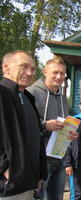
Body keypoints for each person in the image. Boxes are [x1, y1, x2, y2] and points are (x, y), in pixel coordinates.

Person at [27, 58, 78, 200]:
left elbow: (64, 125)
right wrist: (44, 125)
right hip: (40, 159)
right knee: (38, 197)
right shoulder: (31, 93)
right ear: (45, 72)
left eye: (62, 73)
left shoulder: (62, 98)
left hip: (60, 157)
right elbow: (22, 123)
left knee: (57, 197)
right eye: (55, 72)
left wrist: (71, 133)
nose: (59, 76)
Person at [0, 50, 47, 199]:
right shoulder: (2, 93)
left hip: (29, 183)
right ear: (6, 67)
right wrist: (4, 169)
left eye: (33, 69)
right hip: (9, 185)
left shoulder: (27, 98)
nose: (29, 72)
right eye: (24, 66)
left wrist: (39, 174)